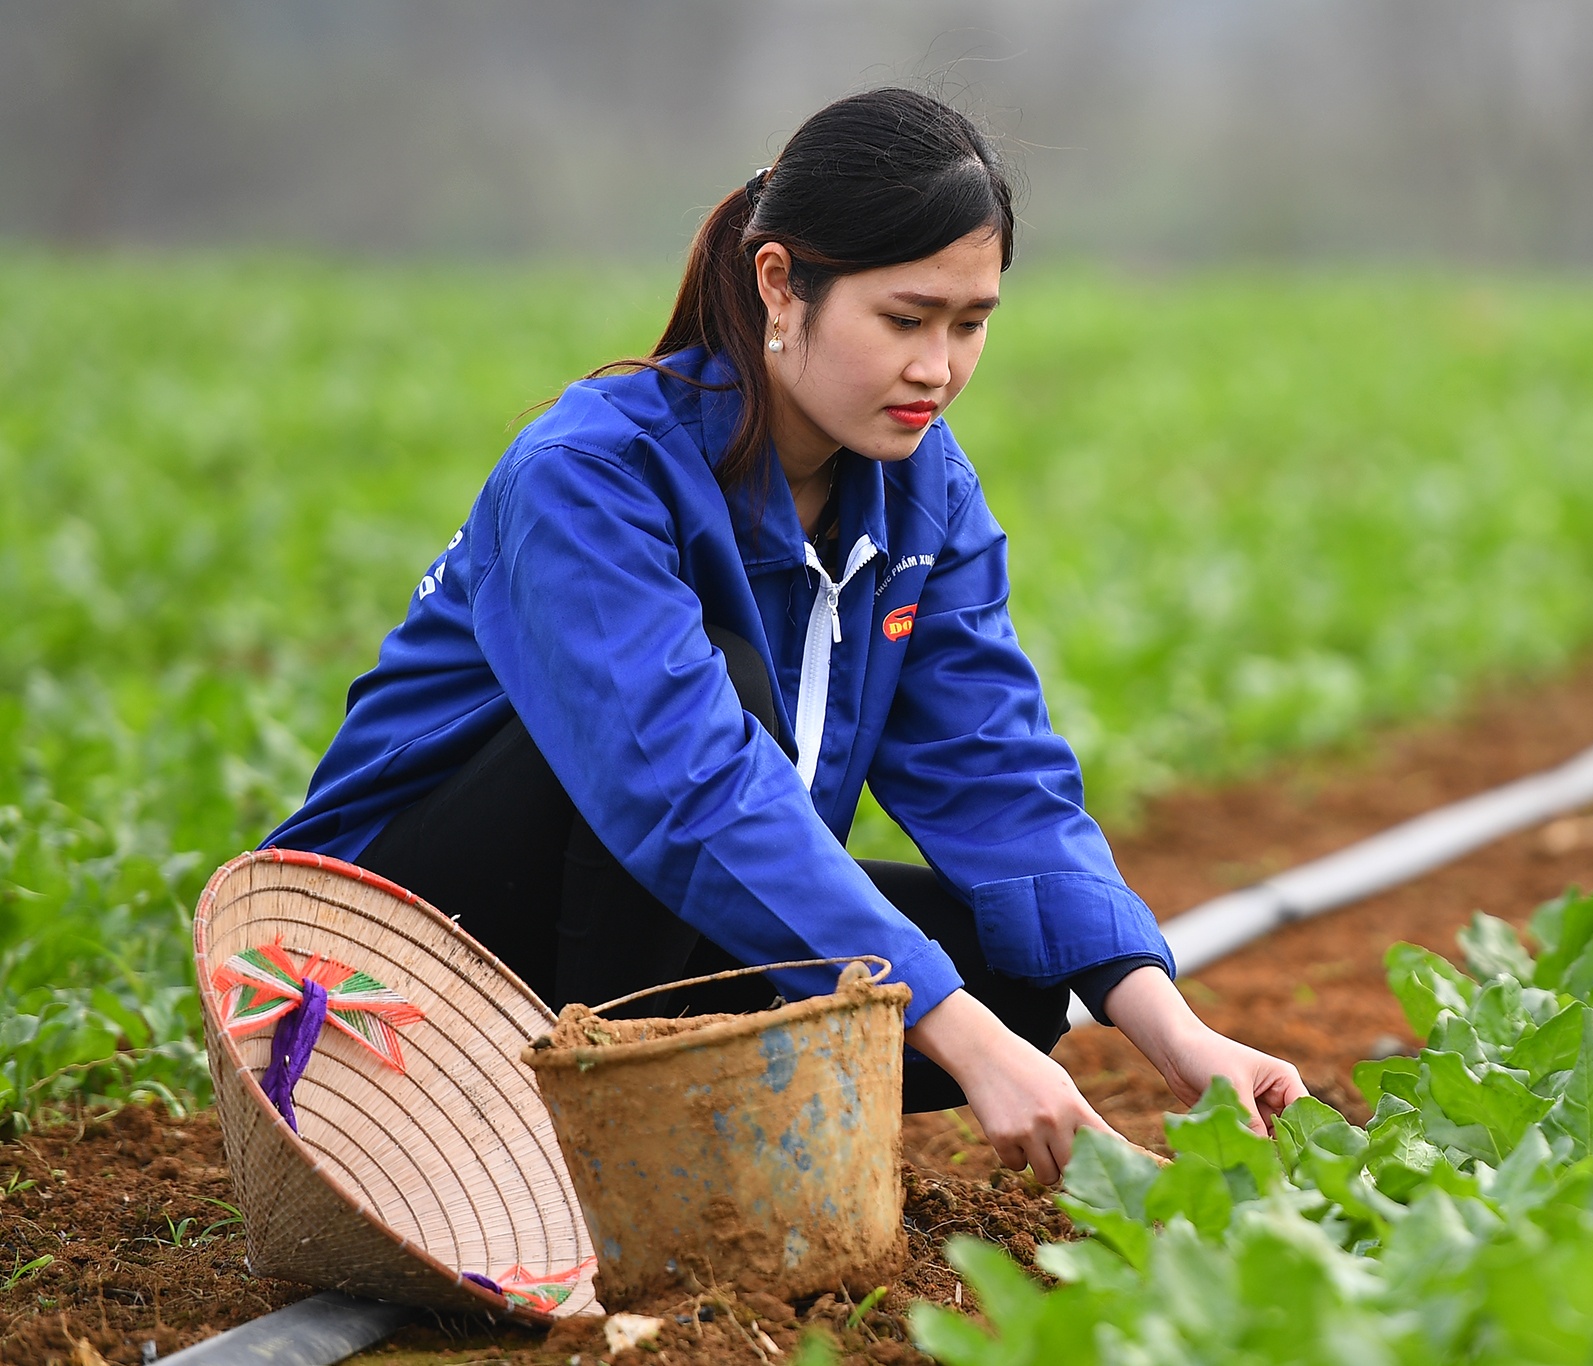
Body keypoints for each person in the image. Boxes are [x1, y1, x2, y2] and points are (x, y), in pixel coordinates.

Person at [267, 87, 1305, 1181]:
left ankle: (643, 1117)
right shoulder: (590, 475)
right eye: (904, 319)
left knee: (1002, 968)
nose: (938, 368)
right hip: (389, 953)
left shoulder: (922, 493)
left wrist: (1172, 1030)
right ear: (779, 284)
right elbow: (686, 785)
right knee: (730, 700)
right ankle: (582, 1158)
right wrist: (956, 1032)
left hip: (639, 917)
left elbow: (995, 777)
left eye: (971, 322)